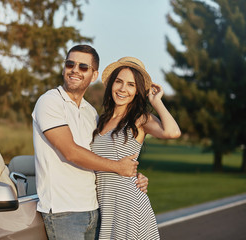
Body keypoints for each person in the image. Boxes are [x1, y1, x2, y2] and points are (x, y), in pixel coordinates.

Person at [32, 45, 149, 240]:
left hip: (94, 209)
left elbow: (102, 155)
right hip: (64, 211)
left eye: (83, 67)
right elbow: (70, 152)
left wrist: (133, 175)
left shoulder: (91, 113)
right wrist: (119, 168)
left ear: (93, 75)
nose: (75, 70)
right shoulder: (50, 101)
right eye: (70, 64)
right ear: (64, 68)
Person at [91, 57, 181, 239]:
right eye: (119, 82)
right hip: (106, 207)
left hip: (129, 207)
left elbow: (172, 132)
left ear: (137, 90)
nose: (123, 89)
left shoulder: (139, 118)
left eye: (131, 85)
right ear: (111, 85)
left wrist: (156, 102)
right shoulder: (99, 120)